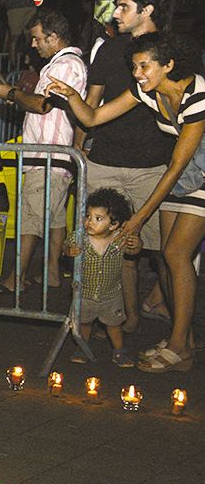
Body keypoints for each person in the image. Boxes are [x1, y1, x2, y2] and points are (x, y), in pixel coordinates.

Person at [48, 31, 205, 374]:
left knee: (177, 254)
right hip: (182, 175)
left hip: (196, 175)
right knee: (168, 254)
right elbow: (91, 119)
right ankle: (184, 343)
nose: (137, 74)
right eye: (134, 66)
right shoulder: (146, 92)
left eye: (144, 66)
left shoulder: (198, 95)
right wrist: (74, 97)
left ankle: (179, 345)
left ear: (169, 65)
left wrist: (136, 221)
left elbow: (179, 163)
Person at [82, 0, 173, 331]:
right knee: (110, 250)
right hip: (106, 158)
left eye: (124, 6)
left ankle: (181, 327)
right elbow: (92, 106)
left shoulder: (169, 53)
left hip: (153, 164)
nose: (115, 13)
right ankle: (125, 319)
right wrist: (79, 149)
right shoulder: (108, 49)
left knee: (164, 253)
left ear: (146, 10)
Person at [0, 10, 86, 292]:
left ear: (54, 37)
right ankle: (52, 273)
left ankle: (15, 278)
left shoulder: (65, 65)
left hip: (47, 154)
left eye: (37, 38)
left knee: (30, 220)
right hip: (52, 155)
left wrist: (11, 93)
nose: (34, 45)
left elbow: (44, 104)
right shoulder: (63, 63)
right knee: (55, 218)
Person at [66, 188, 133, 364]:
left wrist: (137, 244)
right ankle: (82, 348)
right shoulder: (79, 237)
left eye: (98, 218)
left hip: (111, 295)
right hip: (84, 293)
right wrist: (69, 251)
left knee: (114, 325)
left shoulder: (120, 239)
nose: (89, 222)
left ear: (114, 225)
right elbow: (65, 248)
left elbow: (135, 249)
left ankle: (119, 351)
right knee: (85, 323)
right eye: (88, 216)